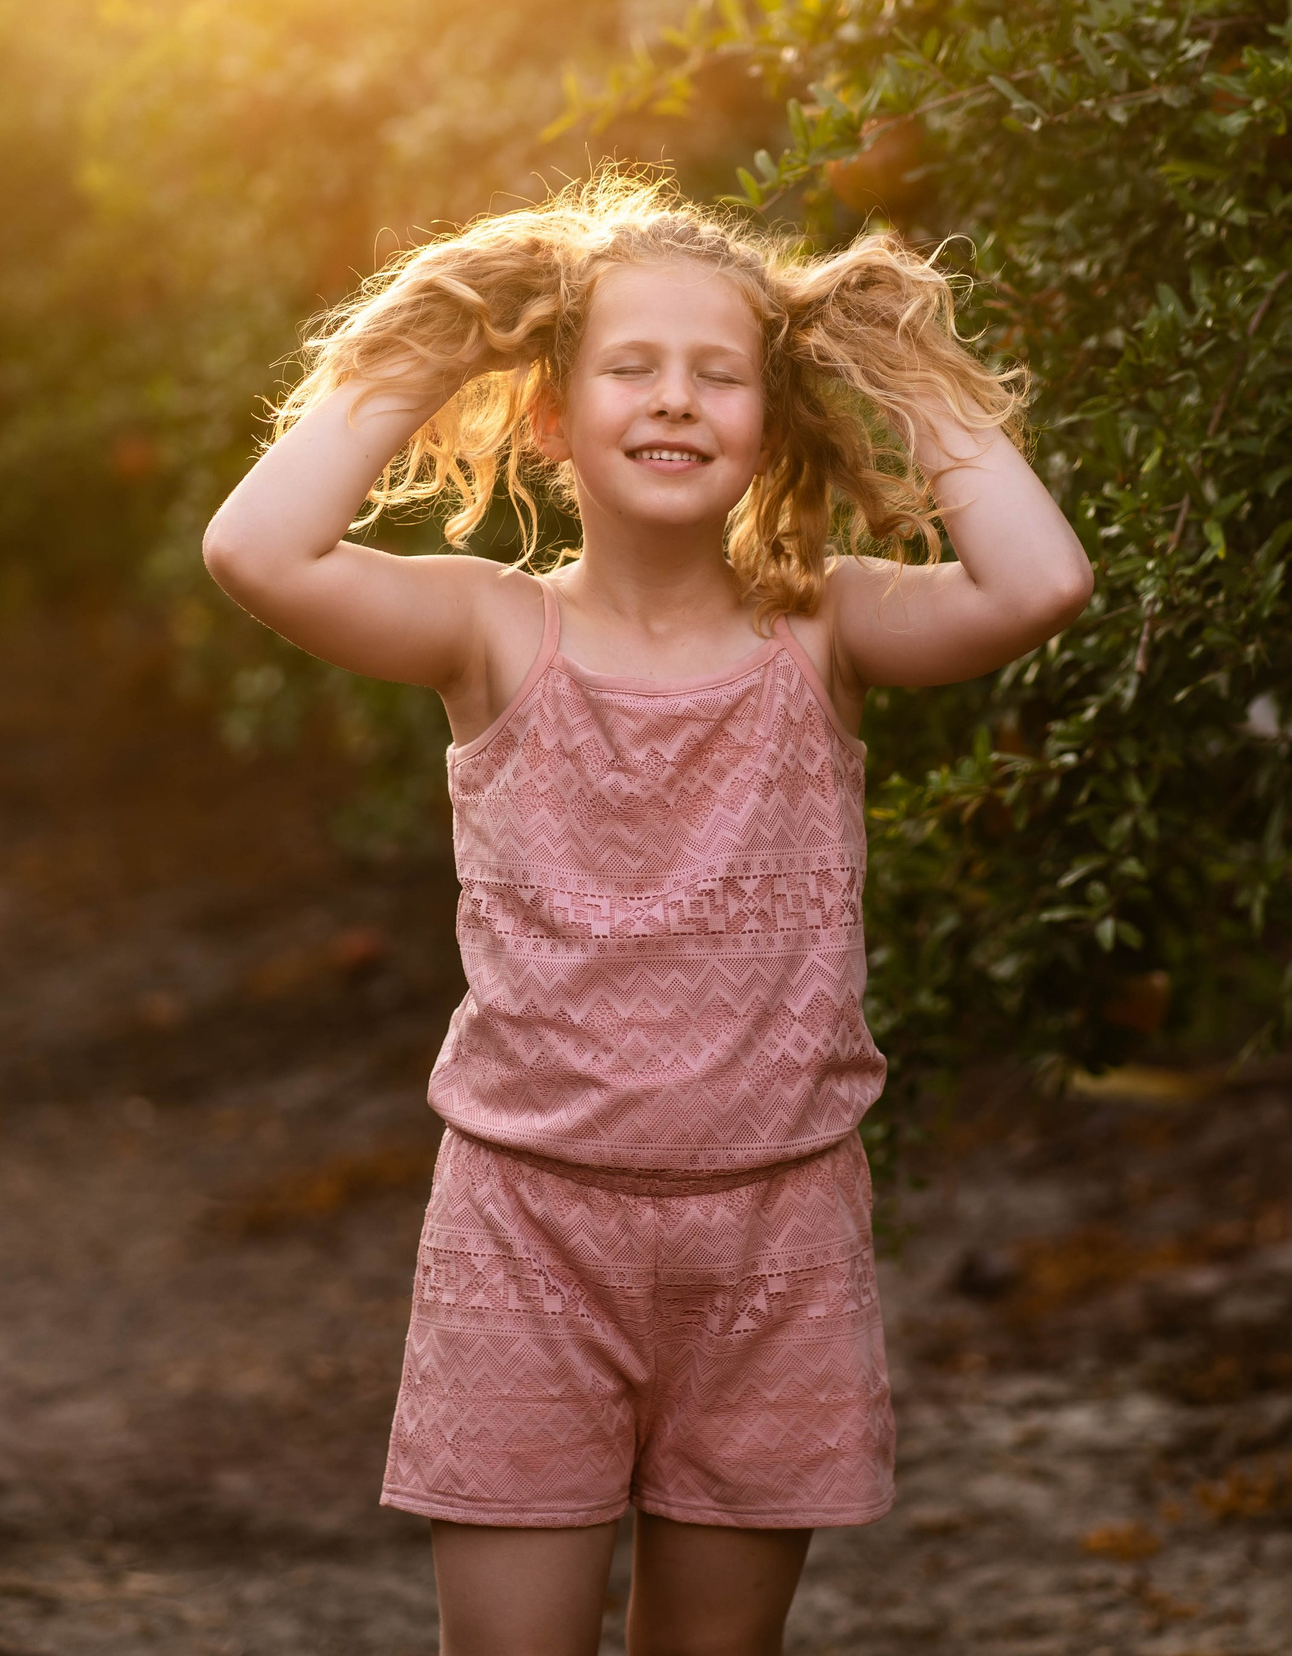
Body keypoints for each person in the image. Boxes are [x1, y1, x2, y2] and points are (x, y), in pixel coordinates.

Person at [200, 174, 1092, 1656]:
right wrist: (431, 346)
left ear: (769, 416)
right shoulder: (491, 629)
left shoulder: (827, 624)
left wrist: (914, 378)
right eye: (629, 366)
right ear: (552, 414)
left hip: (779, 1230)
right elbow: (255, 553)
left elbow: (1042, 580)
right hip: (527, 1229)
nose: (675, 401)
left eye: (718, 374)